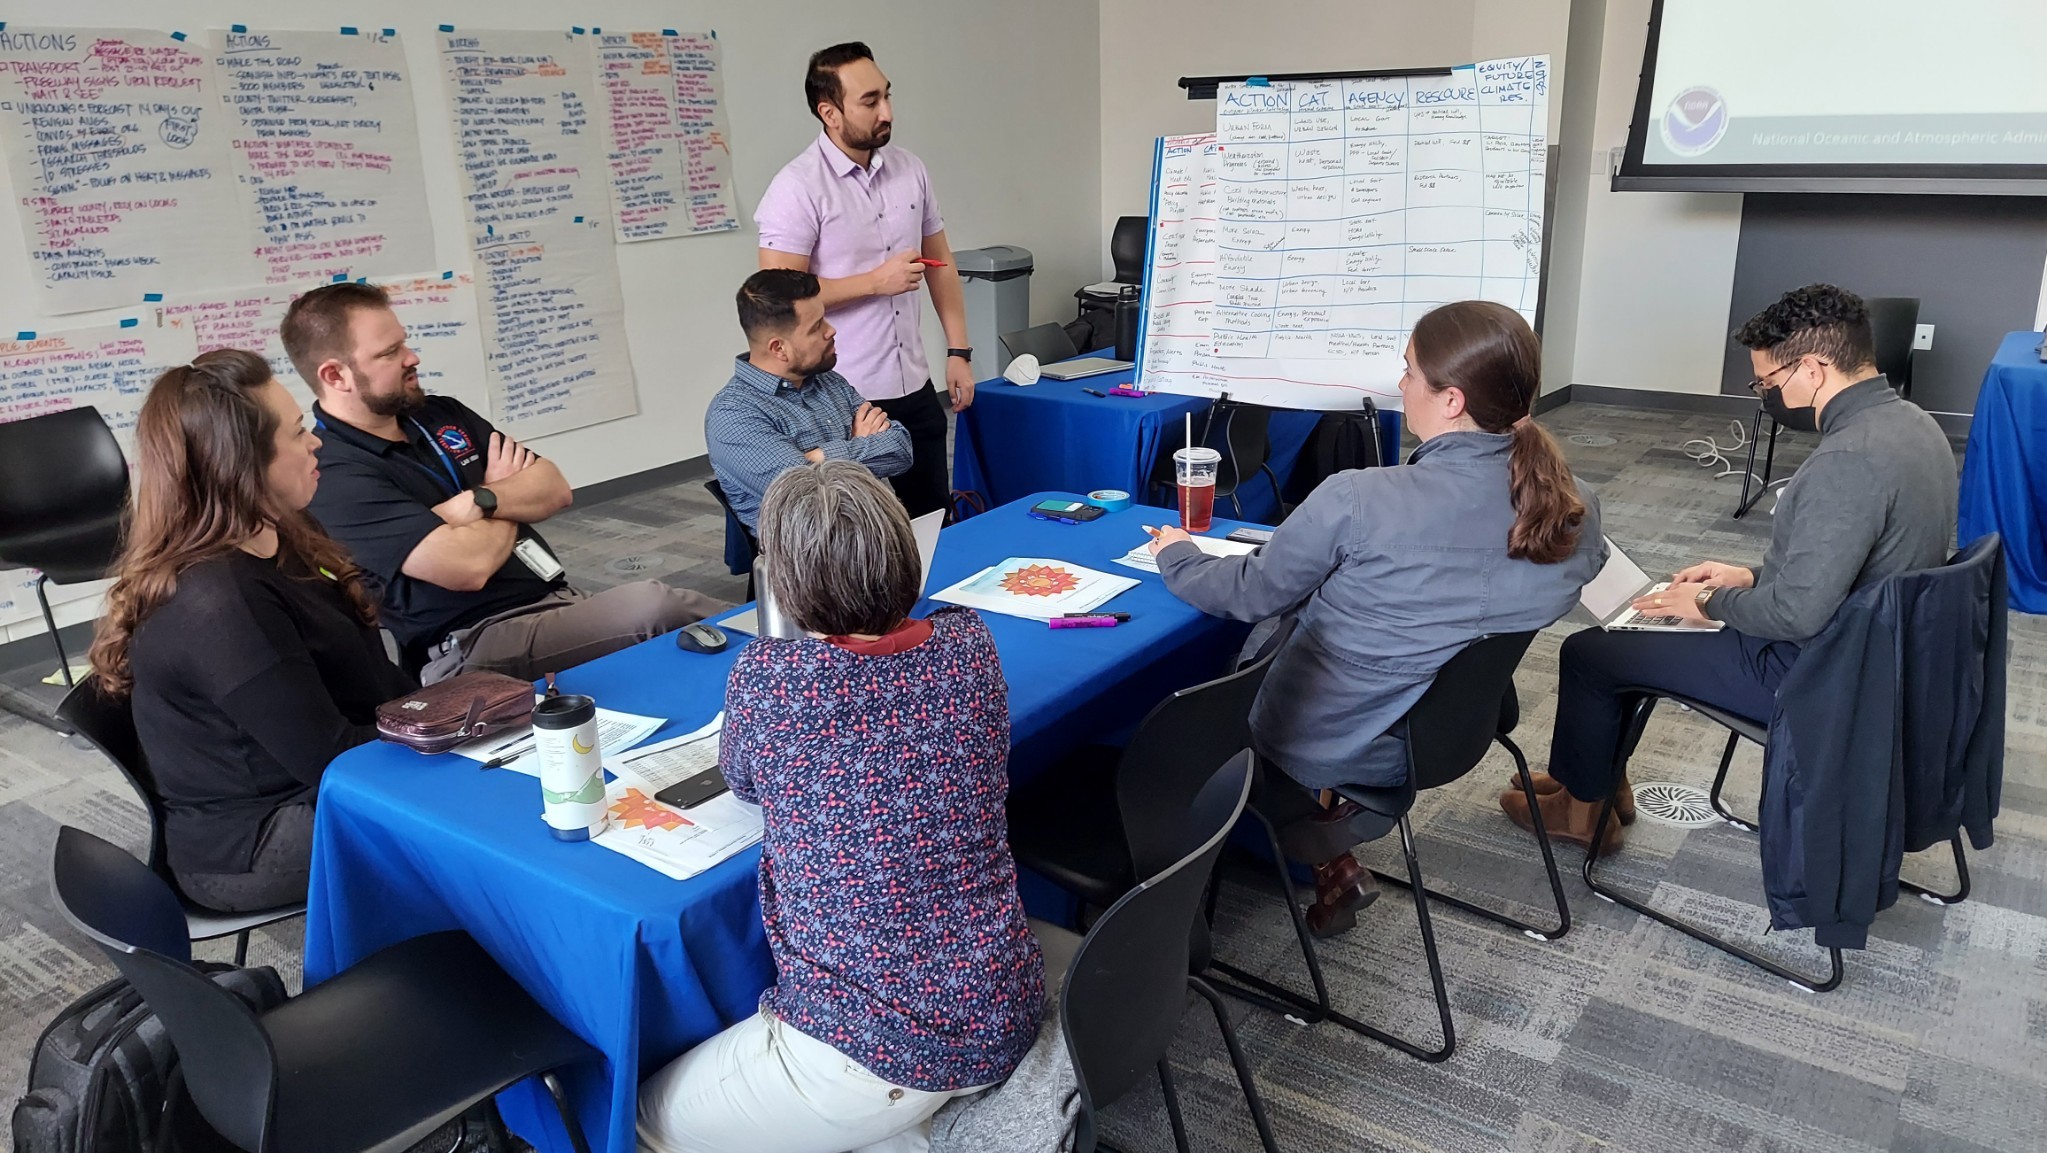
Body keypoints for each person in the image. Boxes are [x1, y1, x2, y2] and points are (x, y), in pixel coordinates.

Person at [1148, 301, 1605, 937]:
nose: (1400, 386)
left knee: (1171, 719)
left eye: (1411, 373)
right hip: (1449, 733)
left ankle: (1182, 914)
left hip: (1337, 733)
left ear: (1450, 401)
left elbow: (1251, 592)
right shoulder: (1573, 507)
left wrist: (1177, 556)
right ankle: (1330, 850)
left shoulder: (1360, 499)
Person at [638, 461, 1042, 1153]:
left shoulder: (773, 677)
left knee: (640, 1116)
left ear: (786, 584)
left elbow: (741, 778)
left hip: (877, 1049)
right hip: (1000, 998)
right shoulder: (969, 642)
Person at [1511, 283, 1958, 850]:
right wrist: (1749, 576)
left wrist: (1705, 603)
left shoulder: (1847, 461)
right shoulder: (1913, 424)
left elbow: (1797, 613)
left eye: (1768, 383)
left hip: (1821, 674)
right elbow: (1860, 561)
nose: (1763, 395)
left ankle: (1580, 810)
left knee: (1592, 652)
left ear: (1814, 369)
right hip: (1876, 650)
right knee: (1631, 639)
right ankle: (1597, 780)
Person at [85, 350, 415, 912]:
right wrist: (454, 732)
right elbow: (333, 761)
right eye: (296, 433)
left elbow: (367, 683)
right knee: (473, 823)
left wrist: (453, 714)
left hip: (321, 782)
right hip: (254, 842)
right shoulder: (220, 601)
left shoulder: (284, 530)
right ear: (241, 464)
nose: (316, 442)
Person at [282, 283, 724, 683]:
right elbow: (468, 568)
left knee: (678, 656)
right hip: (471, 643)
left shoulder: (439, 413)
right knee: (657, 607)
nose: (411, 357)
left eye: (405, 343)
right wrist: (506, 495)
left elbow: (554, 488)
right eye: (389, 352)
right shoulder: (334, 472)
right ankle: (784, 657)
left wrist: (482, 499)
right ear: (335, 376)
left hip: (556, 600)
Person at [753, 41, 975, 519]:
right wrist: (875, 282)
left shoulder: (910, 169)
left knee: (933, 520)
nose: (887, 112)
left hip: (913, 383)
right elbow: (776, 299)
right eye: (870, 102)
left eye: (887, 96)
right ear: (829, 112)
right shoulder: (797, 188)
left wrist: (958, 351)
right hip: (839, 394)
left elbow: (942, 265)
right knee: (850, 535)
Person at [706, 268, 913, 531]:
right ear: (778, 348)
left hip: (876, 534)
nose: (831, 330)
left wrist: (818, 457)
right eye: (817, 327)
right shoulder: (733, 415)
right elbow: (806, 492)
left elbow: (900, 448)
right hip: (807, 561)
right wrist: (860, 444)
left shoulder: (828, 381)